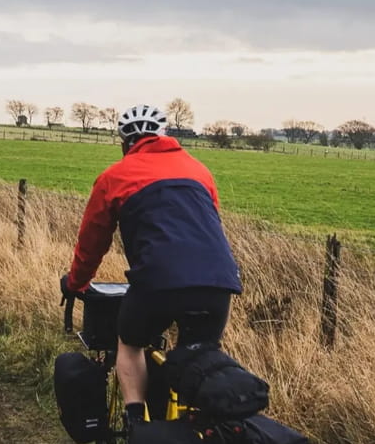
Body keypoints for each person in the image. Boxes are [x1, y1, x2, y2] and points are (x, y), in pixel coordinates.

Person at [61, 104, 242, 426]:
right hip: (218, 281)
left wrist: (76, 283)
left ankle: (136, 421)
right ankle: (201, 429)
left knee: (130, 343)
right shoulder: (199, 170)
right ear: (165, 135)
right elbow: (211, 222)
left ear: (124, 143)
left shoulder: (114, 177)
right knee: (199, 354)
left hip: (158, 282)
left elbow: (93, 241)